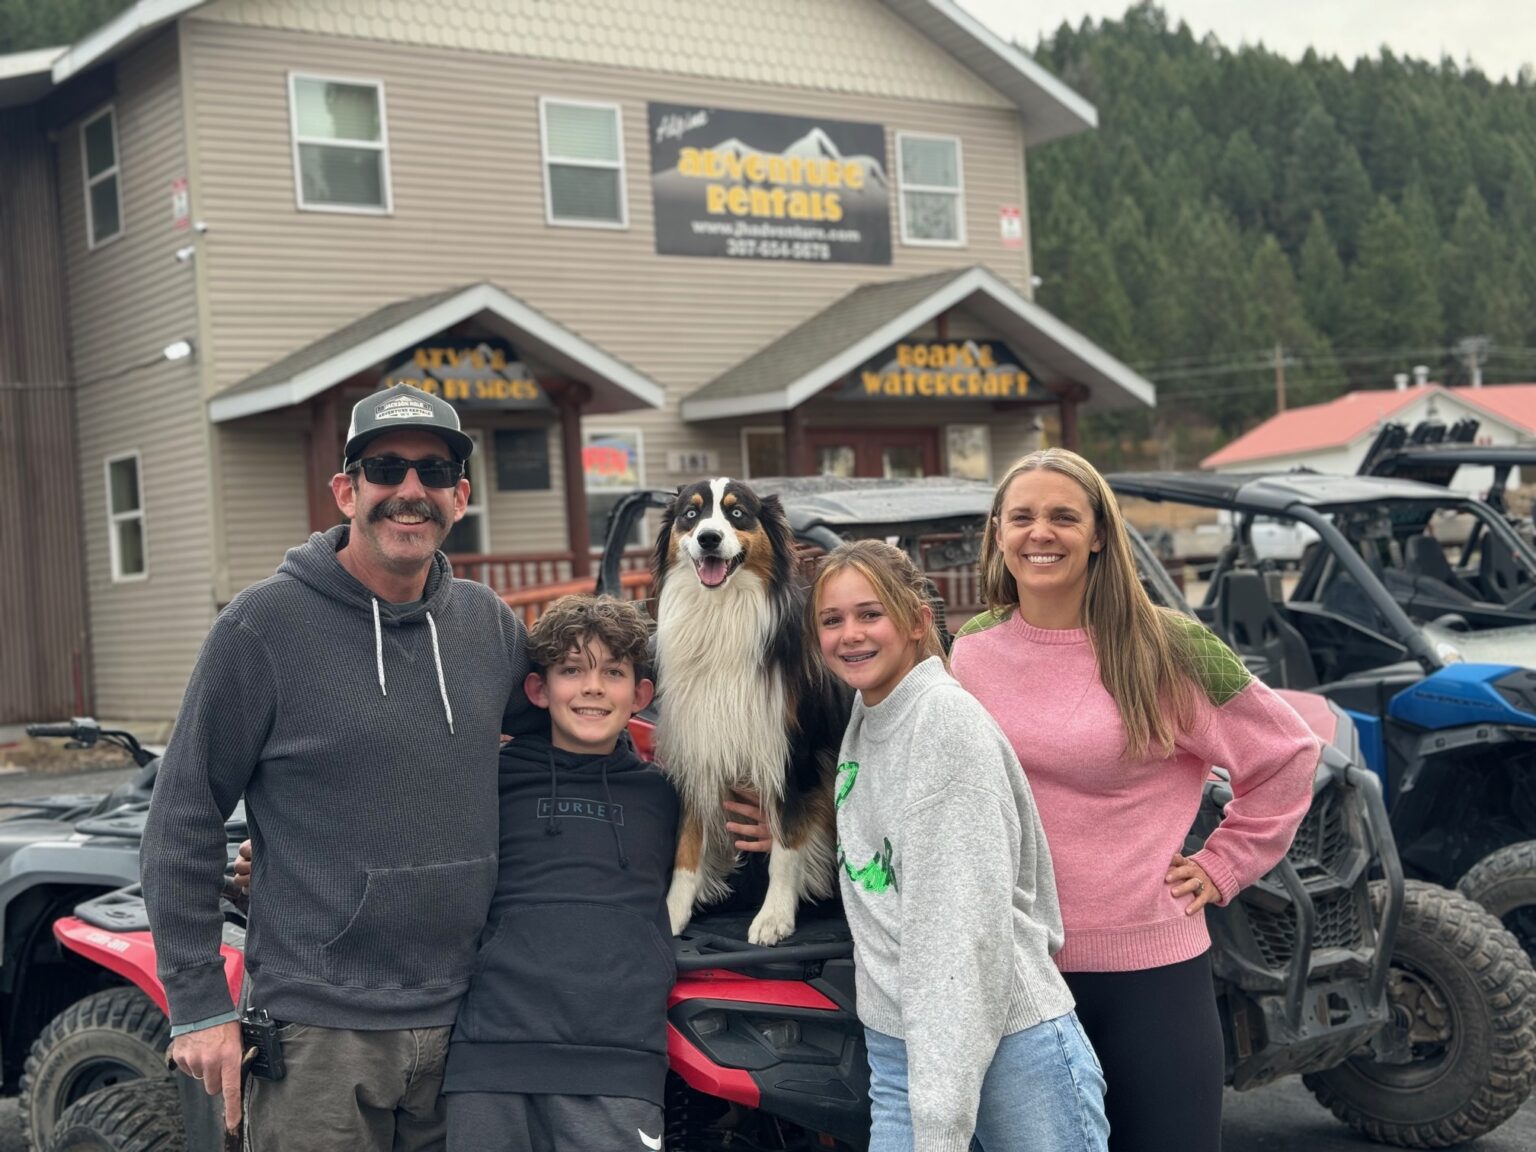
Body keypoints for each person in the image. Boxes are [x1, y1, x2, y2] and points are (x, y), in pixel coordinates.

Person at [141, 382, 537, 1150]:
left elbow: (571, 747)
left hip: (472, 1017)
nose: (410, 491)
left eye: (434, 471)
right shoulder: (262, 626)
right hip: (317, 1030)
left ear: (460, 496)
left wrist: (727, 802)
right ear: (347, 491)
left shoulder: (488, 626)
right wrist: (199, 1006)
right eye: (386, 469)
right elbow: (183, 814)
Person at [949, 448, 1320, 1152]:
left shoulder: (1170, 643)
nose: (1040, 532)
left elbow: (1287, 753)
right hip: (1016, 972)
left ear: (1098, 534)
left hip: (1150, 976)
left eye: (1064, 516)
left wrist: (1224, 863)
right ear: (998, 532)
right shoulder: (970, 648)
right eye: (1022, 517)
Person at [810, 539, 1109, 1152]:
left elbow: (958, 932)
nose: (850, 634)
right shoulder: (871, 715)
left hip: (1004, 1045)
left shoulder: (942, 724)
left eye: (870, 614)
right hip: (903, 1043)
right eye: (831, 620)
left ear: (918, 622)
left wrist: (942, 1123)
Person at [441, 593, 677, 1151]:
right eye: (571, 670)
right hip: (491, 1054)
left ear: (641, 695)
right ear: (538, 690)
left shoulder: (668, 795)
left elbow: (729, 885)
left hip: (620, 1060)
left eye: (613, 672)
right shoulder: (486, 781)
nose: (592, 688)